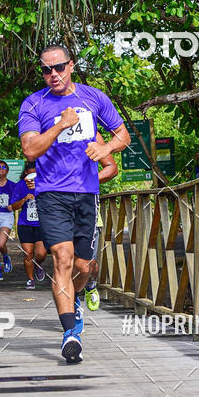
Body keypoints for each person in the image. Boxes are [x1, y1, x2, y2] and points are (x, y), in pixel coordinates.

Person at [18, 43, 130, 363]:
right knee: (62, 259)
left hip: (86, 194)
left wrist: (105, 147)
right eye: (45, 69)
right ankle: (70, 334)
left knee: (84, 266)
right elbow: (30, 150)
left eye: (58, 67)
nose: (52, 74)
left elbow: (123, 135)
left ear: (71, 66)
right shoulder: (34, 104)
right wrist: (59, 125)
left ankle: (77, 294)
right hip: (51, 193)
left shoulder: (94, 97)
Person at [84, 132, 118, 311]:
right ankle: (72, 309)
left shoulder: (92, 132)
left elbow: (111, 167)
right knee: (63, 259)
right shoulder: (48, 126)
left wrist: (87, 182)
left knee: (89, 264)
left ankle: (90, 285)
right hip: (59, 208)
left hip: (87, 208)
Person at [10, 162, 47, 289]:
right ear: (26, 173)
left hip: (41, 223)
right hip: (25, 223)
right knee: (28, 253)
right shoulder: (20, 185)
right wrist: (24, 199)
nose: (34, 176)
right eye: (31, 173)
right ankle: (30, 279)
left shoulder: (45, 183)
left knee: (41, 253)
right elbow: (13, 206)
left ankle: (37, 265)